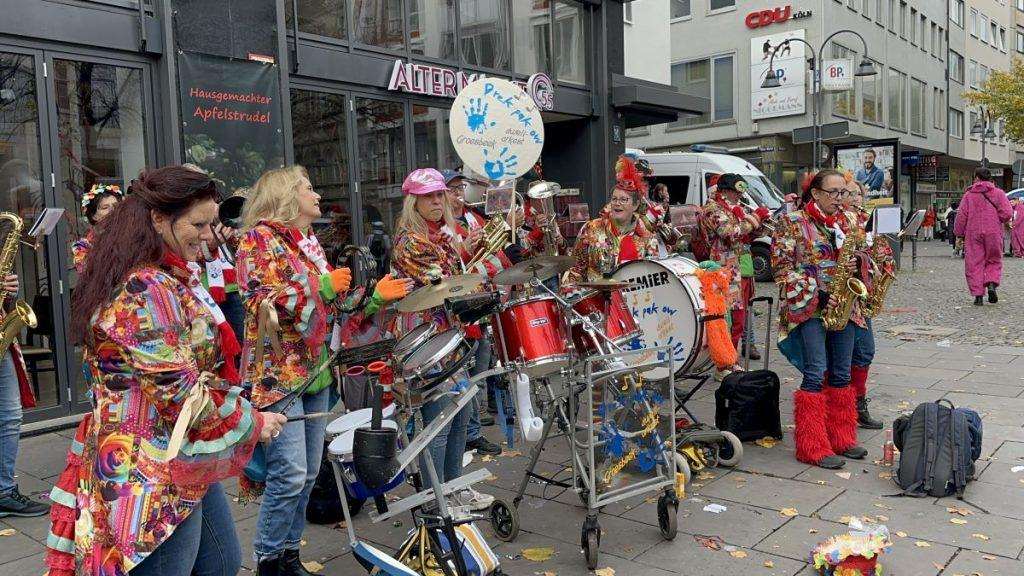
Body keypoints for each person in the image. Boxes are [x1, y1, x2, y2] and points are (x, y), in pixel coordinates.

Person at [44, 166, 287, 576]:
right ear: (158, 219)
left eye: (212, 223)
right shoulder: (145, 287)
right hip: (148, 466)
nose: (210, 235)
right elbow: (180, 393)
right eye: (198, 224)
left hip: (174, 452)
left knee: (223, 561)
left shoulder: (157, 274)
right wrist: (254, 421)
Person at [236, 165, 353, 575]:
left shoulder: (307, 242)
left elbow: (324, 308)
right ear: (287, 194)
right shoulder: (258, 238)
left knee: (306, 475)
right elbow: (259, 298)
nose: (316, 194)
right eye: (308, 187)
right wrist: (321, 287)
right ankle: (268, 560)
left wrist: (360, 298)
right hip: (279, 372)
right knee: (289, 474)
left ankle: (289, 553)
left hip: (314, 369)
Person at [391, 168, 495, 512]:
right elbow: (447, 283)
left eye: (439, 195)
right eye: (429, 197)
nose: (437, 201)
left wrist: (466, 248)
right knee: (439, 418)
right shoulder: (412, 242)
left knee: (461, 413)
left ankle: (454, 488)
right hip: (427, 339)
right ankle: (436, 499)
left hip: (450, 334)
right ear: (414, 202)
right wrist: (474, 265)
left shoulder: (439, 235)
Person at [772, 169, 867, 470]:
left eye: (845, 193)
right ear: (815, 193)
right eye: (834, 193)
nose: (841, 200)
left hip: (845, 306)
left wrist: (858, 262)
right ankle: (811, 446)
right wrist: (818, 294)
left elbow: (866, 257)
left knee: (841, 373)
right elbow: (781, 269)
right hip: (811, 308)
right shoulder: (792, 223)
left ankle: (841, 437)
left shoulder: (848, 221)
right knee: (815, 372)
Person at [442, 169, 502, 457]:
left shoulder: (474, 218)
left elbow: (496, 256)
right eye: (451, 190)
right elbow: (453, 270)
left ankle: (472, 432)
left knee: (477, 376)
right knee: (464, 379)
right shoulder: (443, 227)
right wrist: (468, 252)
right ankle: (466, 433)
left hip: (481, 308)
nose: (457, 195)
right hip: (458, 313)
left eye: (459, 189)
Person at [699, 173, 770, 375]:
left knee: (738, 319)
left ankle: (731, 360)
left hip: (738, 270)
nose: (739, 196)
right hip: (722, 271)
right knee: (725, 320)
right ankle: (722, 365)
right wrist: (755, 218)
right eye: (735, 192)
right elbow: (729, 232)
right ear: (724, 191)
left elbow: (745, 233)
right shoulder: (713, 209)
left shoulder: (732, 208)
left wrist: (759, 225)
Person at [565, 157, 659, 284]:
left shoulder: (647, 238)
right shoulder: (592, 228)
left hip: (634, 300)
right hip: (595, 300)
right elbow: (575, 269)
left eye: (623, 200)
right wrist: (571, 293)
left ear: (636, 205)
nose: (617, 204)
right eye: (614, 199)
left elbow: (653, 278)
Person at [845, 180, 888, 430]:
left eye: (859, 193)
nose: (856, 198)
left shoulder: (867, 220)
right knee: (843, 356)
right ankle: (845, 406)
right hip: (842, 296)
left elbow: (882, 252)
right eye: (850, 193)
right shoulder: (840, 222)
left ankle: (858, 404)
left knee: (864, 352)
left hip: (861, 298)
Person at [953, 168, 1013, 306]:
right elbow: (1007, 213)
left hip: (973, 233)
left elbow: (962, 216)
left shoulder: (969, 195)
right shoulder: (998, 193)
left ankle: (978, 295)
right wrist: (998, 218)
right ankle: (991, 283)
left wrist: (959, 233)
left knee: (974, 263)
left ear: (977, 178)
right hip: (993, 231)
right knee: (994, 259)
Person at [71, 183, 123, 272]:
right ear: (93, 215)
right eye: (105, 207)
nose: (112, 210)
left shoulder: (130, 234)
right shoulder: (82, 247)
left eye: (116, 206)